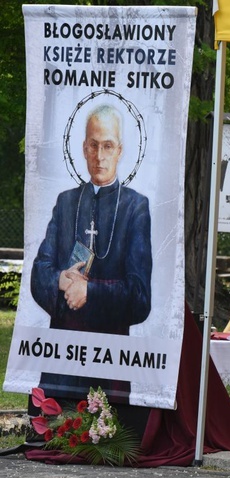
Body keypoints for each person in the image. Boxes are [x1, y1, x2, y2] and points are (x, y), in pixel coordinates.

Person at [30, 103, 152, 402]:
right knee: (57, 440)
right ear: (84, 148)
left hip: (110, 361)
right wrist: (60, 279)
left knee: (104, 441)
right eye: (94, 145)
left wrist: (91, 292)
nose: (100, 156)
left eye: (108, 146)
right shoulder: (66, 202)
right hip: (63, 358)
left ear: (120, 151)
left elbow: (140, 298)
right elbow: (38, 273)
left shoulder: (135, 207)